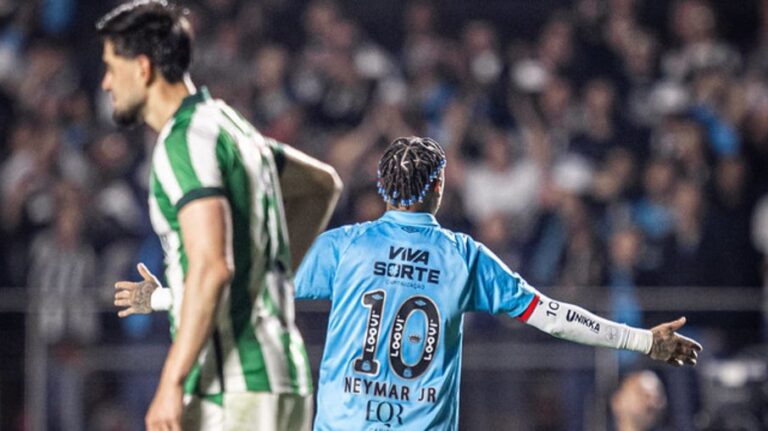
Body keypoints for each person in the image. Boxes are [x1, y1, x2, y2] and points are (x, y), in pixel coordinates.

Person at [293, 136, 700, 430]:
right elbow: (553, 316)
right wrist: (643, 340)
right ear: (438, 186)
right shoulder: (464, 257)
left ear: (382, 187)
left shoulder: (343, 246)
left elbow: (259, 280)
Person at [98, 1, 342, 430]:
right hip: (282, 379)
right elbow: (321, 186)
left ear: (142, 67)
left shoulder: (182, 140)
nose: (105, 83)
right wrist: (265, 276)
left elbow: (212, 267)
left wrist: (171, 382)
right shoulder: (233, 128)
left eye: (111, 67)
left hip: (233, 386)